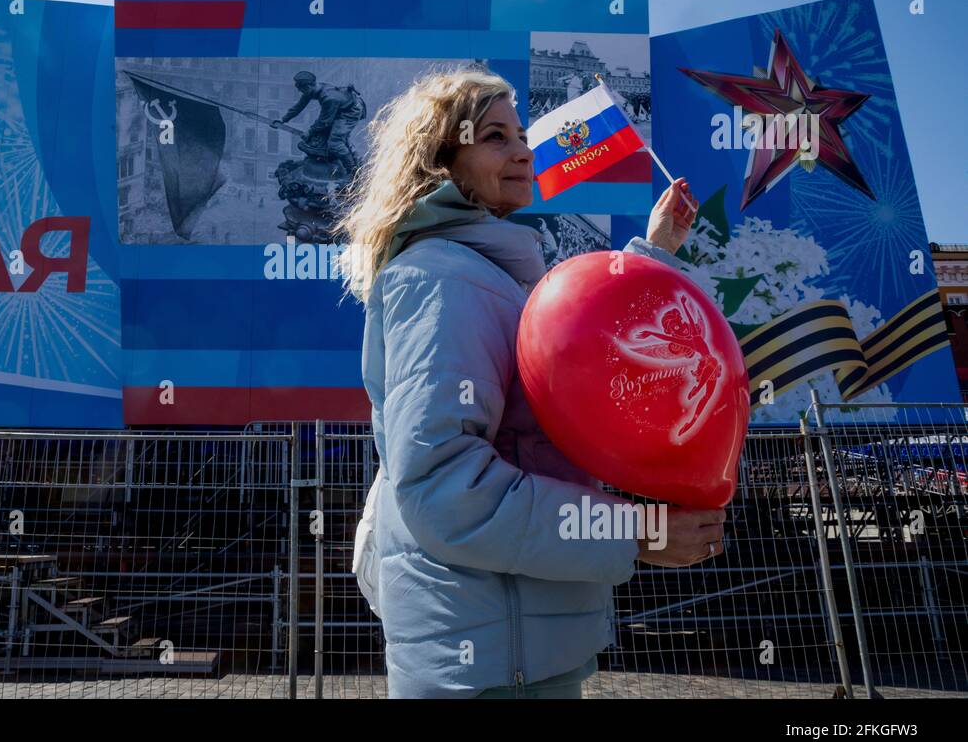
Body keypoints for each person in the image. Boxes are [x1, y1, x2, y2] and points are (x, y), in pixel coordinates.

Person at [333, 67, 722, 699]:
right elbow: (447, 491)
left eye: (519, 133)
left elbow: (580, 367)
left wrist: (655, 254)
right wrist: (633, 531)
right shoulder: (438, 279)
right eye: (495, 137)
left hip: (510, 649)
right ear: (442, 164)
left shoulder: (481, 275)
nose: (524, 150)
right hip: (490, 663)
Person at [272, 71, 365, 175]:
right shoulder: (313, 89)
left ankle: (353, 171)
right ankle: (351, 158)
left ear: (307, 87)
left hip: (350, 111)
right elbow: (299, 106)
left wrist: (310, 132)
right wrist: (283, 119)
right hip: (340, 107)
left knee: (335, 142)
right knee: (330, 134)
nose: (301, 93)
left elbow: (325, 121)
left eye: (301, 90)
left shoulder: (328, 98)